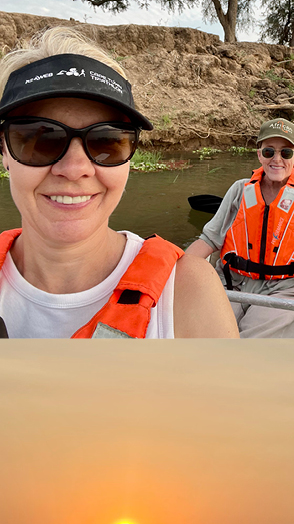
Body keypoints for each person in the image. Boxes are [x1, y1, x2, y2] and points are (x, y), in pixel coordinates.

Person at [0, 27, 237, 338]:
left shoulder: (187, 293)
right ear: (4, 151)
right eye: (41, 140)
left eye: (106, 141)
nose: (74, 169)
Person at [186, 118, 294, 338]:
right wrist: (176, 271)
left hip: (286, 289)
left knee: (250, 342)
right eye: (269, 151)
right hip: (233, 283)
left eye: (286, 153)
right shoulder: (239, 190)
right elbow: (209, 240)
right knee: (206, 335)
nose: (277, 159)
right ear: (259, 154)